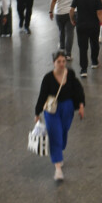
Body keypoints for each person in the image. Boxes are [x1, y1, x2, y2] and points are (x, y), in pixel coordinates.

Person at [35, 49, 86, 182]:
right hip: (51, 110)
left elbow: (78, 90)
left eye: (63, 61)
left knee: (63, 131)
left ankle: (59, 149)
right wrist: (37, 112)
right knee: (55, 134)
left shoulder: (70, 74)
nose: (62, 64)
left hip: (67, 108)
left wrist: (81, 105)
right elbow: (42, 96)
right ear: (54, 63)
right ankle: (58, 167)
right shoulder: (48, 78)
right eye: (59, 62)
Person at [71, 0, 102, 77]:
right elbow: (99, 13)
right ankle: (94, 62)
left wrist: (72, 19)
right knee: (94, 44)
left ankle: (83, 70)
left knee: (83, 47)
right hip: (94, 25)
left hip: (81, 25)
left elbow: (71, 10)